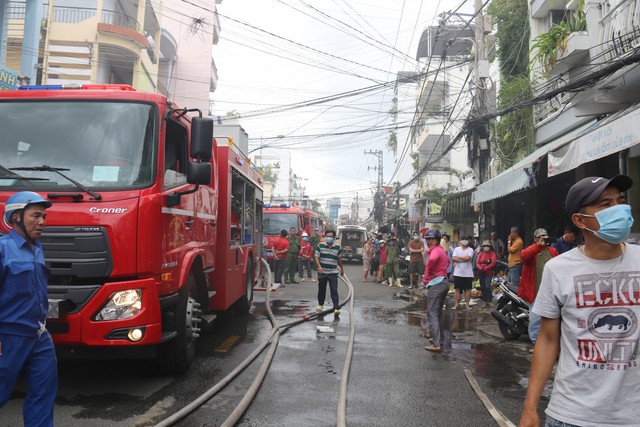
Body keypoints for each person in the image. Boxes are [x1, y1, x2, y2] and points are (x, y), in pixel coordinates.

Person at [519, 175, 639, 427]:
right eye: (606, 204)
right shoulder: (558, 269)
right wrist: (530, 408)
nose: (619, 208)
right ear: (579, 220)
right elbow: (549, 340)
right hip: (572, 415)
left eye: (621, 201)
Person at [0, 191, 57, 426]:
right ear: (15, 217)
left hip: (39, 336)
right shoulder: (3, 249)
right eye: (35, 216)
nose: (42, 222)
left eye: (43, 216)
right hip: (8, 337)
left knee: (43, 393)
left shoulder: (37, 249)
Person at [517, 228, 558, 349]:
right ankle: (536, 343)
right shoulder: (531, 251)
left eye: (545, 237)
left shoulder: (553, 251)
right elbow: (523, 256)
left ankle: (549, 342)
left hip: (550, 291)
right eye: (540, 237)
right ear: (535, 239)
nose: (543, 239)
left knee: (551, 318)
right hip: (534, 290)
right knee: (535, 319)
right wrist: (537, 246)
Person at [422, 229, 450, 352]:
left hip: (437, 283)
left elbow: (432, 260)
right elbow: (448, 262)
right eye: (427, 239)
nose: (429, 241)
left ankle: (436, 344)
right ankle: (439, 338)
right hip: (443, 282)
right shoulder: (442, 250)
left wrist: (429, 271)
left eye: (432, 239)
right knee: (437, 312)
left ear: (437, 239)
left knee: (432, 313)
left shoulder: (436, 251)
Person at [314, 229, 344, 315]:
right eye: (327, 236)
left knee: (334, 290)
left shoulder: (337, 247)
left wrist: (342, 269)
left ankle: (336, 308)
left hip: (333, 272)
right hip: (323, 272)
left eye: (330, 237)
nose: (328, 238)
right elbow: (316, 257)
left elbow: (339, 259)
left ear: (334, 238)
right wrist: (319, 267)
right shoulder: (320, 245)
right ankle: (320, 305)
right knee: (321, 289)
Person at [452, 236, 475, 310]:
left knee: (468, 289)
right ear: (461, 241)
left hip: (468, 273)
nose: (464, 241)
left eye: (466, 240)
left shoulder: (470, 249)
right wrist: (463, 259)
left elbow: (468, 258)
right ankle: (456, 304)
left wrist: (458, 258)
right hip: (458, 272)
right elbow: (453, 258)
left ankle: (467, 304)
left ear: (468, 241)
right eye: (463, 240)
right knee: (457, 289)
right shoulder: (456, 249)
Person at [475, 240, 497, 308]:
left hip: (488, 272)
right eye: (485, 246)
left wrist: (485, 268)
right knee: (482, 286)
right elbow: (477, 262)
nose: (486, 247)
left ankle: (489, 301)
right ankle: (484, 301)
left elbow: (493, 263)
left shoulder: (492, 254)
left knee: (487, 286)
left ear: (490, 247)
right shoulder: (480, 253)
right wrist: (481, 268)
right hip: (481, 272)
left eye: (487, 246)